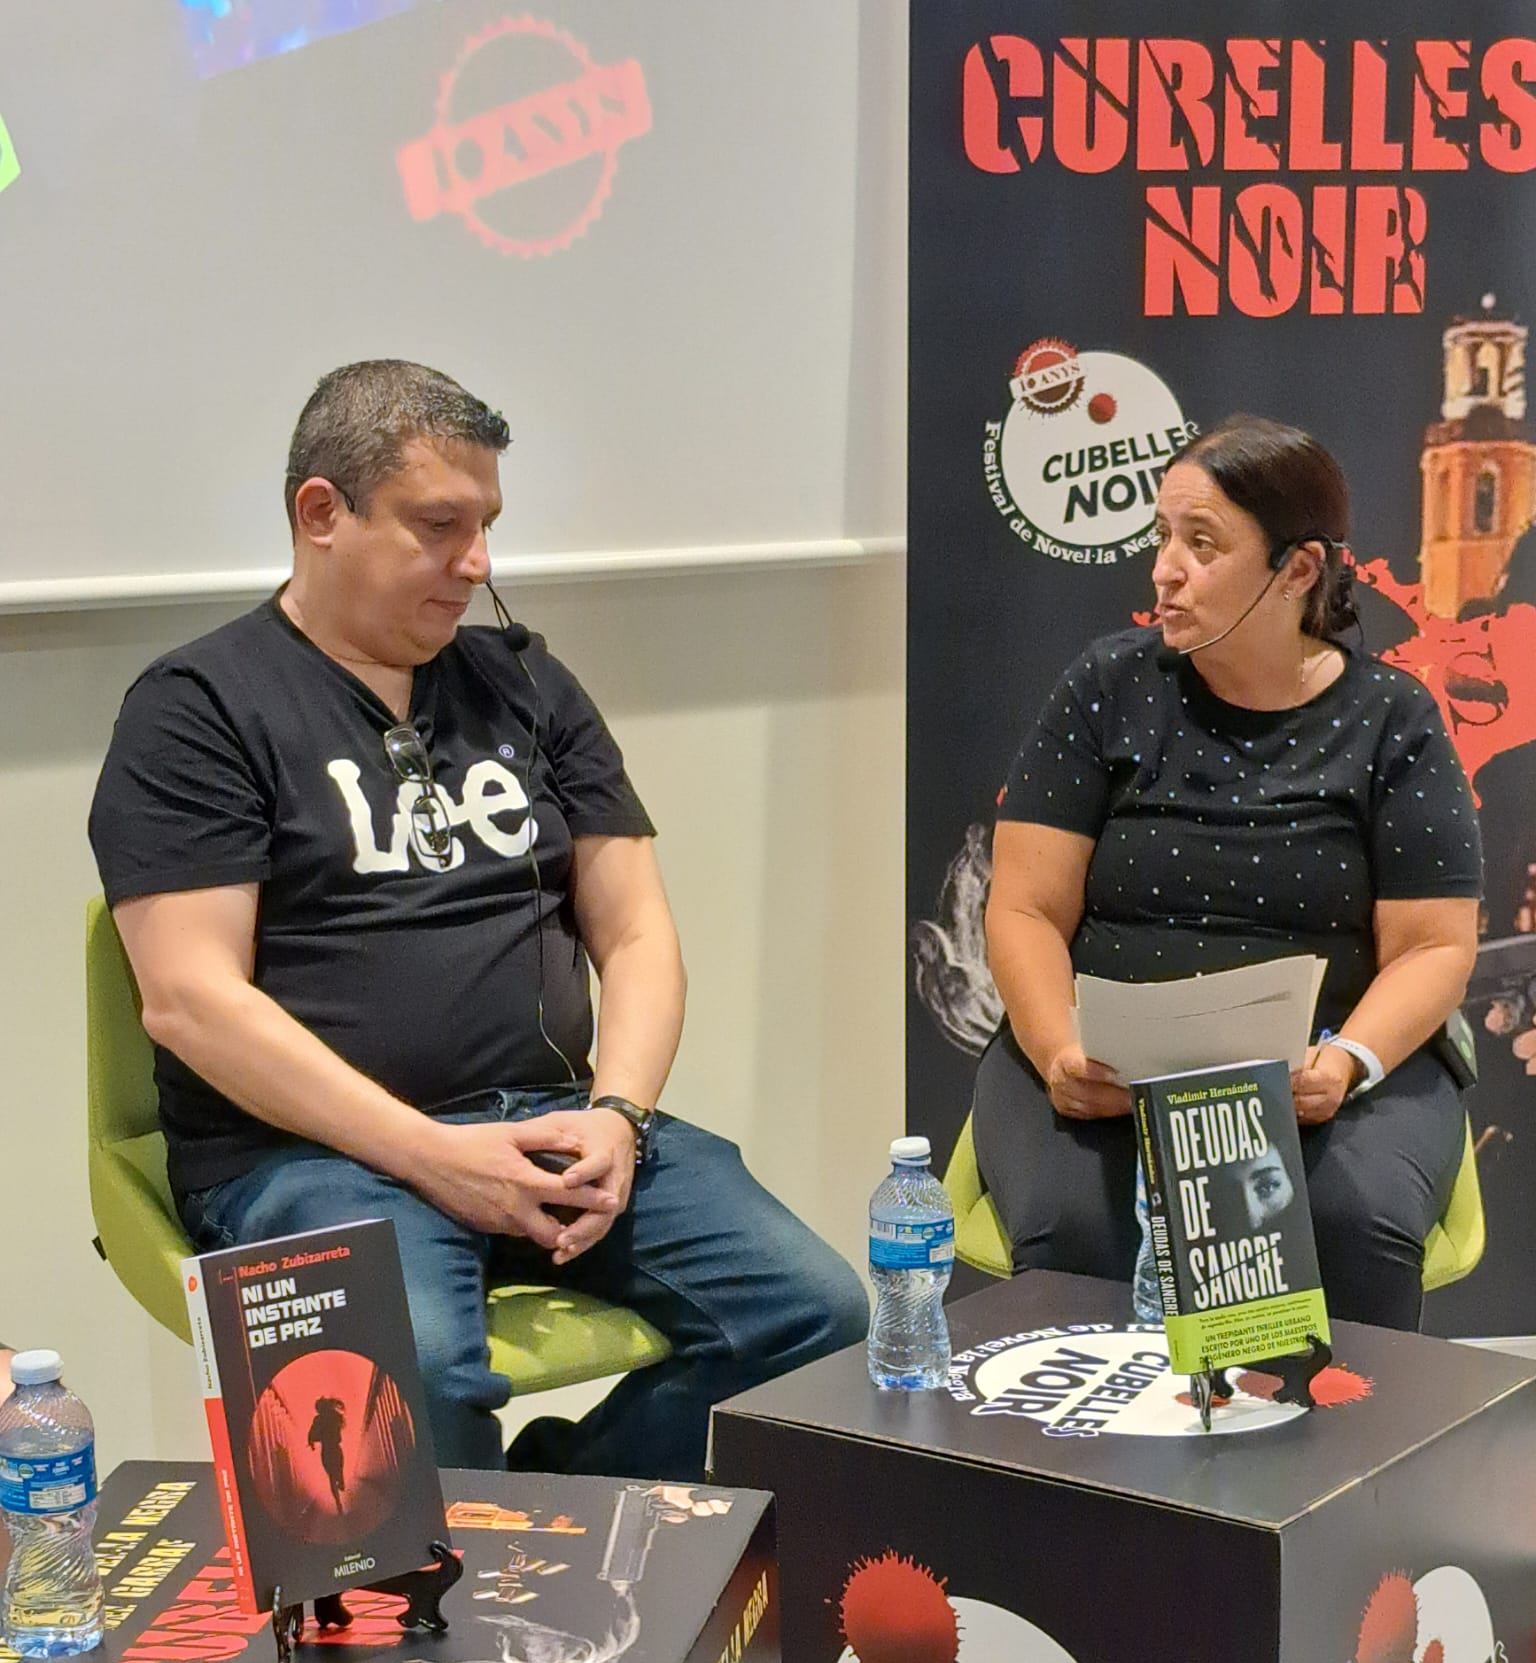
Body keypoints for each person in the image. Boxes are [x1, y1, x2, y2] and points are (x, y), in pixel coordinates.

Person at [89, 359, 867, 1479]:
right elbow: (189, 1000)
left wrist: (621, 1113)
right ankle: (470, 1577)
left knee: (820, 1320)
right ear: (322, 512)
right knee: (415, 1381)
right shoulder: (199, 709)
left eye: (488, 525)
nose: (479, 563)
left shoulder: (526, 682)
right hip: (310, 1156)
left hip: (552, 1122)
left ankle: (563, 1508)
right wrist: (433, 1155)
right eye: (440, 525)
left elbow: (637, 932)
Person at [976, 415, 1482, 1331]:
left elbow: (1434, 947)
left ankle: (1334, 1428)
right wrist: (1057, 1054)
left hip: (1321, 1063)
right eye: (1162, 536)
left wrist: (1345, 1063)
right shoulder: (1106, 687)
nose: (1164, 570)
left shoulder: (1392, 718)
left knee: (1350, 1225)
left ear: (1298, 570)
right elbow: (1023, 910)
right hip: (1099, 1053)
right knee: (1078, 1233)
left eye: (1201, 544)